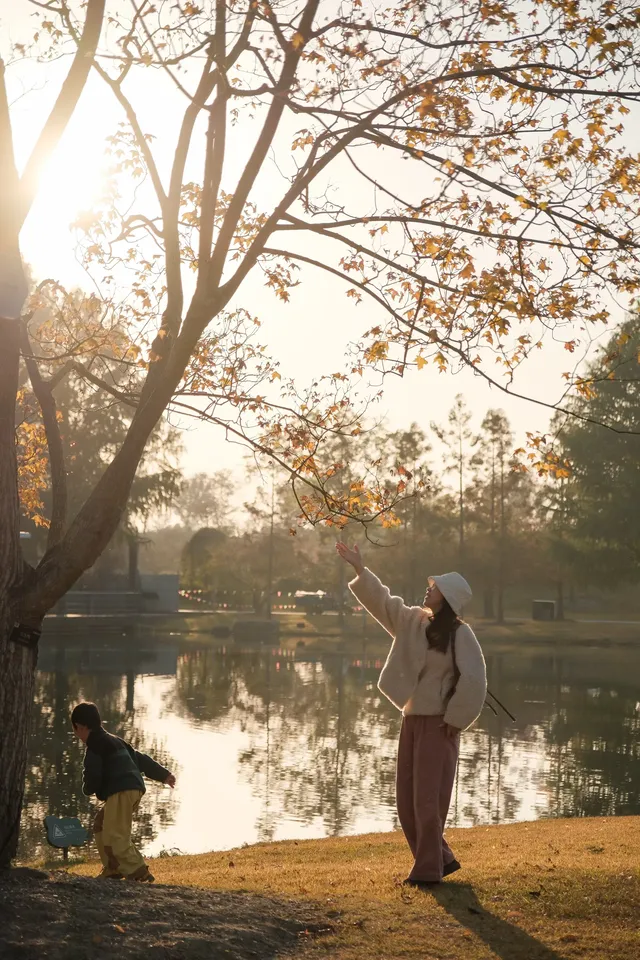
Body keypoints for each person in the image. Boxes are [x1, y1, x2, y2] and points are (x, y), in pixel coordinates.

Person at [335, 541, 487, 887]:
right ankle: (441, 858)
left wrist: (455, 720)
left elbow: (475, 679)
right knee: (406, 800)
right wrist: (360, 568)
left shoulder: (461, 634)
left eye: (435, 587)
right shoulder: (413, 622)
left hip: (439, 725)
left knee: (427, 800)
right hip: (412, 720)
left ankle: (427, 871)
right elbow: (383, 602)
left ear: (447, 597)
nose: (428, 589)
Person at [71, 701, 176, 882]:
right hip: (133, 789)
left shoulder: (94, 746)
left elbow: (92, 775)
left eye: (75, 730)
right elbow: (140, 759)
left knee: (116, 835)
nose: (76, 734)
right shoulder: (116, 740)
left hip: (121, 790)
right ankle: (113, 868)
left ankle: (139, 872)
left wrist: (87, 789)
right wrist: (163, 775)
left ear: (80, 727)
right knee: (101, 825)